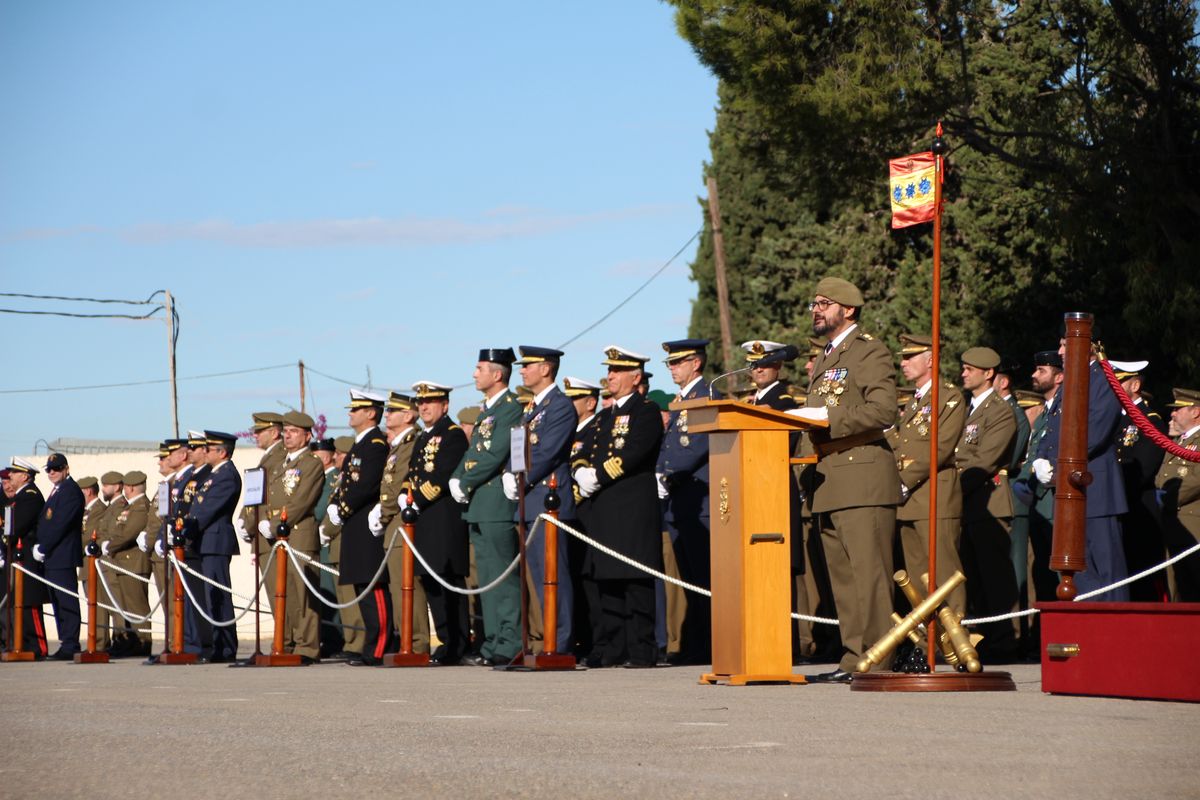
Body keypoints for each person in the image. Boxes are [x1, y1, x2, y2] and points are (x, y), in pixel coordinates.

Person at [788, 277, 899, 683]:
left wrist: (827, 420)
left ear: (848, 310)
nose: (815, 309)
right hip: (828, 481)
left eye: (824, 303)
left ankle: (879, 660)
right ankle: (855, 659)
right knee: (845, 581)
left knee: (870, 576)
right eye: (814, 303)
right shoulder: (826, 356)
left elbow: (883, 411)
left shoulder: (869, 351)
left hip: (862, 478)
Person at [575, 346, 664, 668]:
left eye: (617, 371)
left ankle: (642, 648)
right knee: (608, 581)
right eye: (609, 370)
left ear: (635, 376)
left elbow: (635, 452)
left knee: (635, 580)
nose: (610, 376)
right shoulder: (603, 416)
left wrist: (598, 474)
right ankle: (614, 647)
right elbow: (581, 447)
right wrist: (580, 470)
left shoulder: (646, 411)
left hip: (631, 507)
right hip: (602, 510)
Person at [1031, 334, 1129, 601]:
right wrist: (1040, 457)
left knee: (1107, 572)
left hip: (1097, 488)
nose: (1060, 350)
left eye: (1065, 344)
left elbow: (1094, 433)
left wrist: (1055, 462)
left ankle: (1114, 634)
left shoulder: (1104, 379)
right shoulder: (1071, 380)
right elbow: (1053, 427)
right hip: (1070, 488)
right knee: (1080, 571)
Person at [450, 348, 522, 666]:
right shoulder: (487, 410)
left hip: (495, 502)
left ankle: (511, 640)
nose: (473, 374)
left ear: (497, 374)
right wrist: (456, 477)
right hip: (480, 504)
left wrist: (465, 482)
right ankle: (493, 641)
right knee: (488, 580)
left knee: (503, 579)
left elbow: (495, 454)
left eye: (479, 368)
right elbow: (473, 451)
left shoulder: (510, 408)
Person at [887, 335, 967, 616]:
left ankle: (955, 636)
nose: (903, 363)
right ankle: (927, 640)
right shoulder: (914, 401)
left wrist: (904, 480)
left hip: (935, 495)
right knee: (916, 575)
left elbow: (941, 448)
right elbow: (905, 447)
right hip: (909, 500)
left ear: (931, 359)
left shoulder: (949, 396)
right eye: (903, 357)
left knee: (944, 571)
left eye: (910, 357)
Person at [511, 346, 579, 655]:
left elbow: (548, 450)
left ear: (546, 369)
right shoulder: (532, 408)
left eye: (528, 365)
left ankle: (559, 642)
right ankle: (541, 640)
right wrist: (509, 473)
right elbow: (519, 450)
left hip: (548, 499)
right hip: (529, 500)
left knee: (554, 577)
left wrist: (520, 476)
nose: (522, 370)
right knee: (537, 577)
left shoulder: (560, 406)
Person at [956, 346, 1019, 661]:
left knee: (994, 577)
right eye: (964, 368)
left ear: (989, 373)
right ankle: (982, 639)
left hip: (988, 501)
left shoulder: (998, 411)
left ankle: (1003, 640)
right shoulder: (967, 407)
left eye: (970, 369)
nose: (964, 373)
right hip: (967, 503)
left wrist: (951, 488)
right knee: (974, 576)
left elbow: (984, 460)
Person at [403, 381, 470, 665]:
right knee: (431, 583)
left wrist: (417, 497)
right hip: (421, 518)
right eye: (421, 402)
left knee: (448, 581)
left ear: (444, 405)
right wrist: (405, 494)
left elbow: (443, 475)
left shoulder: (452, 435)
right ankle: (444, 640)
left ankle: (458, 643)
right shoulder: (423, 437)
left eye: (430, 402)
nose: (424, 407)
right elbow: (412, 472)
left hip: (443, 517)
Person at [656, 338, 712, 665]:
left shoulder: (706, 395)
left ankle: (708, 645)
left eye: (678, 362)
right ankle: (695, 644)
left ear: (696, 363)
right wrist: (660, 472)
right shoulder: (683, 398)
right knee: (689, 580)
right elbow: (671, 443)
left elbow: (699, 443)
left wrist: (671, 472)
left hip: (697, 497)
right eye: (671, 363)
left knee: (704, 580)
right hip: (679, 499)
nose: (673, 368)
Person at [257, 411, 326, 663]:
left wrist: (275, 524)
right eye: (285, 431)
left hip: (297, 533)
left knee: (303, 594)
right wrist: (262, 519)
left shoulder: (311, 463)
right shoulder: (278, 463)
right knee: (281, 592)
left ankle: (307, 646)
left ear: (307, 436)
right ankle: (283, 642)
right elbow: (264, 495)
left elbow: (302, 501)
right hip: (276, 534)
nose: (287, 435)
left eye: (294, 431)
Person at [328, 390, 392, 665]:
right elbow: (346, 481)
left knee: (373, 587)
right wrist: (335, 503)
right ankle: (371, 645)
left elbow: (367, 484)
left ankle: (378, 648)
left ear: (371, 413)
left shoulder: (375, 444)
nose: (350, 413)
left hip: (366, 522)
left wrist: (343, 508)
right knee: (362, 588)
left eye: (356, 409)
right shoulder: (360, 444)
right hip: (354, 522)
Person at [372, 392, 430, 655]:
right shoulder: (398, 444)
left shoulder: (411, 442)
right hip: (393, 524)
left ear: (408, 415)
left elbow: (399, 484)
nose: (387, 415)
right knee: (398, 586)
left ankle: (415, 643)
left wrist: (384, 511)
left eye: (392, 411)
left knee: (408, 587)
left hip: (401, 522)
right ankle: (405, 638)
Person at [1110, 359, 1169, 601]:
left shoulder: (1150, 420)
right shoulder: (1114, 419)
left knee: (1143, 581)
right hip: (1117, 507)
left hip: (1138, 508)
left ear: (1134, 384)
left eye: (1119, 381)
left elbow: (1143, 469)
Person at [185, 431, 242, 662]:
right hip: (205, 541)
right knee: (210, 596)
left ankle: (226, 647)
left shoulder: (227, 475)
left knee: (219, 595)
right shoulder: (214, 474)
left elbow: (208, 508)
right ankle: (216, 645)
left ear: (222, 452)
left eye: (209, 448)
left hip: (216, 541)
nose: (204, 451)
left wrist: (188, 527)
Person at [563, 375, 602, 660]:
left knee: (590, 581)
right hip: (568, 515)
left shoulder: (595, 430)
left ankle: (593, 643)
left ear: (590, 403)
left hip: (587, 513)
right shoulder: (570, 432)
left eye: (574, 398)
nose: (568, 404)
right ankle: (580, 640)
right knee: (574, 578)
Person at [34, 453, 85, 659]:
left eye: (56, 468)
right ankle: (66, 641)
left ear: (66, 469)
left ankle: (71, 643)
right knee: (57, 601)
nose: (52, 472)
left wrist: (44, 547)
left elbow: (60, 524)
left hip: (62, 554)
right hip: (53, 556)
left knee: (66, 600)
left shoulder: (70, 491)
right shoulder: (58, 491)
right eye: (49, 469)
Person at [1155, 388, 1200, 601]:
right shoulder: (1177, 441)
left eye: (1178, 409)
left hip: (1192, 522)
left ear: (1196, 412)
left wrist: (1168, 498)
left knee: (1194, 586)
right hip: (1172, 521)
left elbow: (1197, 479)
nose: (1172, 414)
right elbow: (1162, 475)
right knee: (1175, 589)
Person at [108, 470, 152, 657]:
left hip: (134, 562)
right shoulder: (131, 506)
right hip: (124, 562)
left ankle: (143, 642)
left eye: (125, 486)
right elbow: (118, 529)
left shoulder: (141, 506)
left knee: (137, 606)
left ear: (131, 487)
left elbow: (128, 533)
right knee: (127, 607)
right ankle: (132, 643)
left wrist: (108, 546)